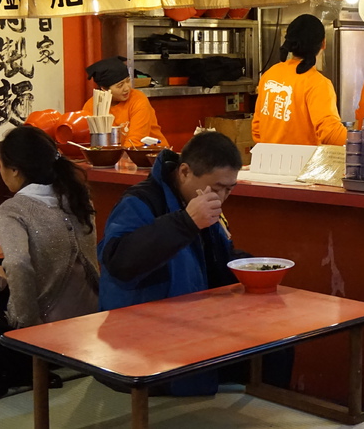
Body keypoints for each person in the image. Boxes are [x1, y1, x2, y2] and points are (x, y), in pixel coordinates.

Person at [98, 131, 266, 395]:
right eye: (217, 188)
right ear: (185, 172)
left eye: (229, 189)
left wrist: (251, 268)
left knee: (274, 346)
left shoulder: (199, 202)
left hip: (197, 320)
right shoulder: (141, 201)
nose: (222, 197)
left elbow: (213, 259)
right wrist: (186, 222)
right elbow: (119, 263)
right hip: (144, 335)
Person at [0, 125, 99, 328]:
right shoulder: (78, 197)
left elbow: (17, 263)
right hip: (94, 314)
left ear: (14, 170)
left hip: (47, 325)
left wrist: (27, 322)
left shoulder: (12, 210)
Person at [252, 14, 347, 146]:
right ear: (324, 43)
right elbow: (330, 133)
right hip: (303, 159)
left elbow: (257, 127)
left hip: (266, 157)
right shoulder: (317, 83)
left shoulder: (270, 74)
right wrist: (363, 141)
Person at [83, 56, 169, 148]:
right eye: (120, 85)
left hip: (150, 152)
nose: (127, 88)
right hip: (116, 154)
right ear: (104, 88)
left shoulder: (138, 99)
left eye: (128, 81)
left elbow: (136, 141)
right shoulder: (93, 106)